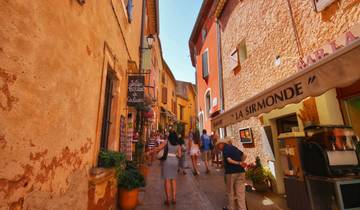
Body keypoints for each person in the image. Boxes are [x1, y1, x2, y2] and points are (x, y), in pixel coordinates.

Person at [146, 127, 181, 206]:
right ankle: (174, 198)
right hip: (175, 162)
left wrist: (150, 152)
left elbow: (158, 148)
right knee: (174, 180)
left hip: (167, 161)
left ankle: (168, 199)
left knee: (167, 180)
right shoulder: (178, 145)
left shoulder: (166, 142)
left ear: (169, 136)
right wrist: (175, 155)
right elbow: (179, 155)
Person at [216, 137, 247, 210]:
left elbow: (229, 160)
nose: (218, 147)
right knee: (241, 194)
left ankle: (231, 208)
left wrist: (239, 163)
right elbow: (244, 155)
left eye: (218, 145)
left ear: (222, 144)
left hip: (231, 173)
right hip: (241, 172)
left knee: (230, 192)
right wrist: (241, 163)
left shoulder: (225, 149)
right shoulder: (234, 147)